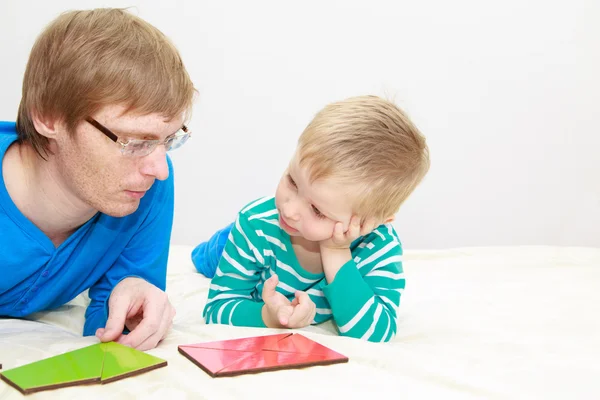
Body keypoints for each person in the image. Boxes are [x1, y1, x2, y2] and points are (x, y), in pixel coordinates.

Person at [0, 8, 196, 350]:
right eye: (135, 141)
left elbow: (110, 326)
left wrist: (130, 300)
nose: (159, 169)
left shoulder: (148, 189)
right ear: (49, 117)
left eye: (168, 139)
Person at [193, 95, 429, 342]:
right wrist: (269, 317)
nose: (289, 209)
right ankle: (215, 246)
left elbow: (375, 335)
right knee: (209, 257)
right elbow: (217, 308)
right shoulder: (256, 225)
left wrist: (336, 251)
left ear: (373, 223)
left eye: (317, 211)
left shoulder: (377, 246)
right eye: (292, 181)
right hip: (250, 240)